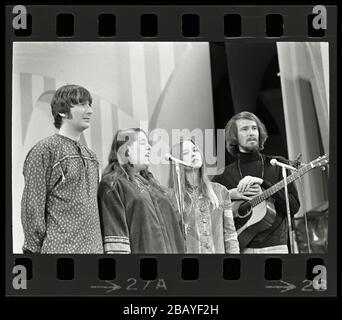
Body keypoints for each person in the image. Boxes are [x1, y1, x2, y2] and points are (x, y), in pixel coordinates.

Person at [21, 84, 103, 254]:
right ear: (62, 111)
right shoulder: (45, 150)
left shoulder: (91, 156)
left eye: (89, 105)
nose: (89, 111)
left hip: (93, 254)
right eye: (81, 104)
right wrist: (34, 252)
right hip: (59, 254)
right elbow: (32, 206)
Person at [213, 111, 300, 254]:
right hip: (242, 249)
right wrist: (228, 195)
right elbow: (207, 204)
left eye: (254, 128)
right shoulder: (225, 175)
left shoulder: (277, 165)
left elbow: (294, 206)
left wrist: (263, 183)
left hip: (276, 248)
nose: (251, 132)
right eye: (244, 129)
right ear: (234, 137)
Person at [98, 128, 185, 254]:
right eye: (143, 143)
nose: (149, 147)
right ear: (125, 149)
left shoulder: (153, 186)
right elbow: (116, 238)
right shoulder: (112, 184)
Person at [169, 138, 240, 254]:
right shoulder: (171, 197)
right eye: (186, 153)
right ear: (177, 161)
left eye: (195, 150)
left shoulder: (220, 191)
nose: (193, 154)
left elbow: (230, 234)